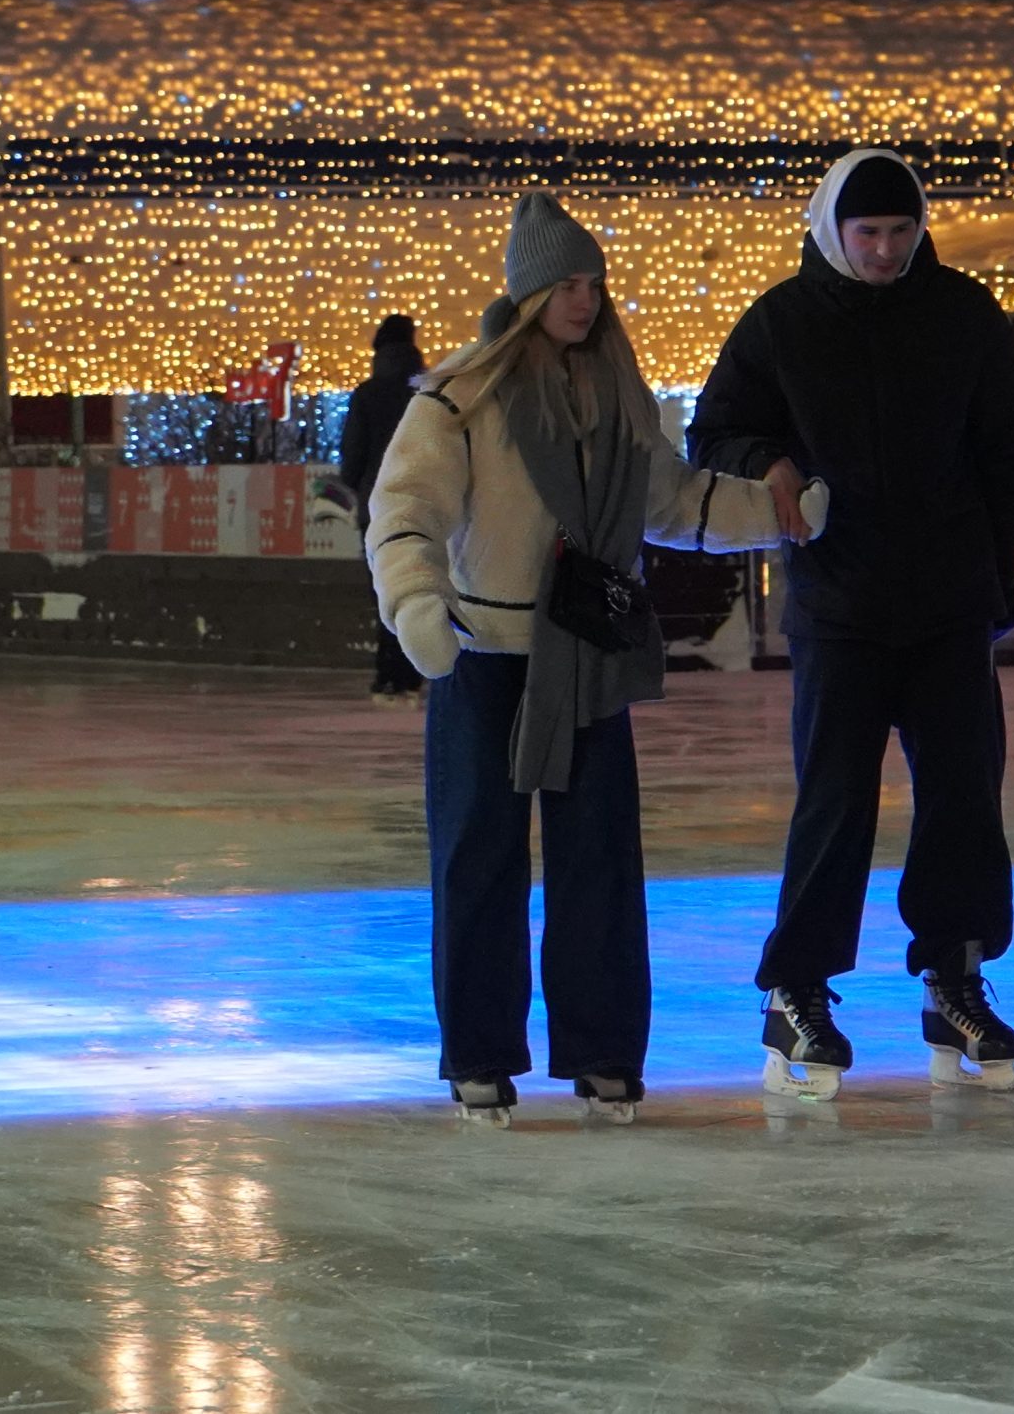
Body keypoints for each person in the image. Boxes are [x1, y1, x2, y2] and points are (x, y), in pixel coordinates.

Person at [366, 192, 822, 1126]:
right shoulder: (463, 396)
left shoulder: (617, 398)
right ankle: (480, 1057)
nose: (583, 300)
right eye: (566, 283)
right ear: (529, 291)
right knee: (478, 858)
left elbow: (676, 499)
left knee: (601, 862)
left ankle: (606, 1051)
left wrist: (775, 515)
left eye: (593, 283)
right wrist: (416, 604)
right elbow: (406, 510)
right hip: (485, 657)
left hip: (587, 659)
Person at [688, 148, 1014, 1101]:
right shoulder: (782, 322)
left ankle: (954, 975)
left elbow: (1009, 454)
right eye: (867, 232)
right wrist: (769, 460)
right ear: (832, 230)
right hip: (839, 607)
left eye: (900, 231)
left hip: (948, 606)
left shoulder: (965, 316)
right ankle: (796, 987)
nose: (885, 249)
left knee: (965, 793)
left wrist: (998, 577)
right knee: (836, 799)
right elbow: (710, 431)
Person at [339, 315, 428, 702]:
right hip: (425, 503)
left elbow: (352, 458)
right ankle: (414, 670)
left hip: (377, 507)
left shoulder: (366, 394)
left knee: (384, 589)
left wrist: (356, 481)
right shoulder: (427, 391)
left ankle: (387, 673)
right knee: (421, 586)